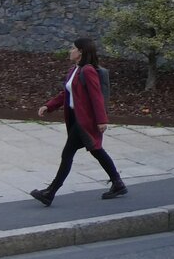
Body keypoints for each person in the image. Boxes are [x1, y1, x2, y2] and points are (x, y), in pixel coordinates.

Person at [30, 37, 127, 206]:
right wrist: (49, 106)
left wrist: (101, 120)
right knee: (96, 150)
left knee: (68, 154)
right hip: (76, 118)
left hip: (85, 120)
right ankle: (118, 183)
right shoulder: (74, 69)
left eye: (72, 48)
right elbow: (66, 94)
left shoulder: (88, 70)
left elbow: (96, 96)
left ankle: (50, 192)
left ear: (80, 52)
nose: (70, 51)